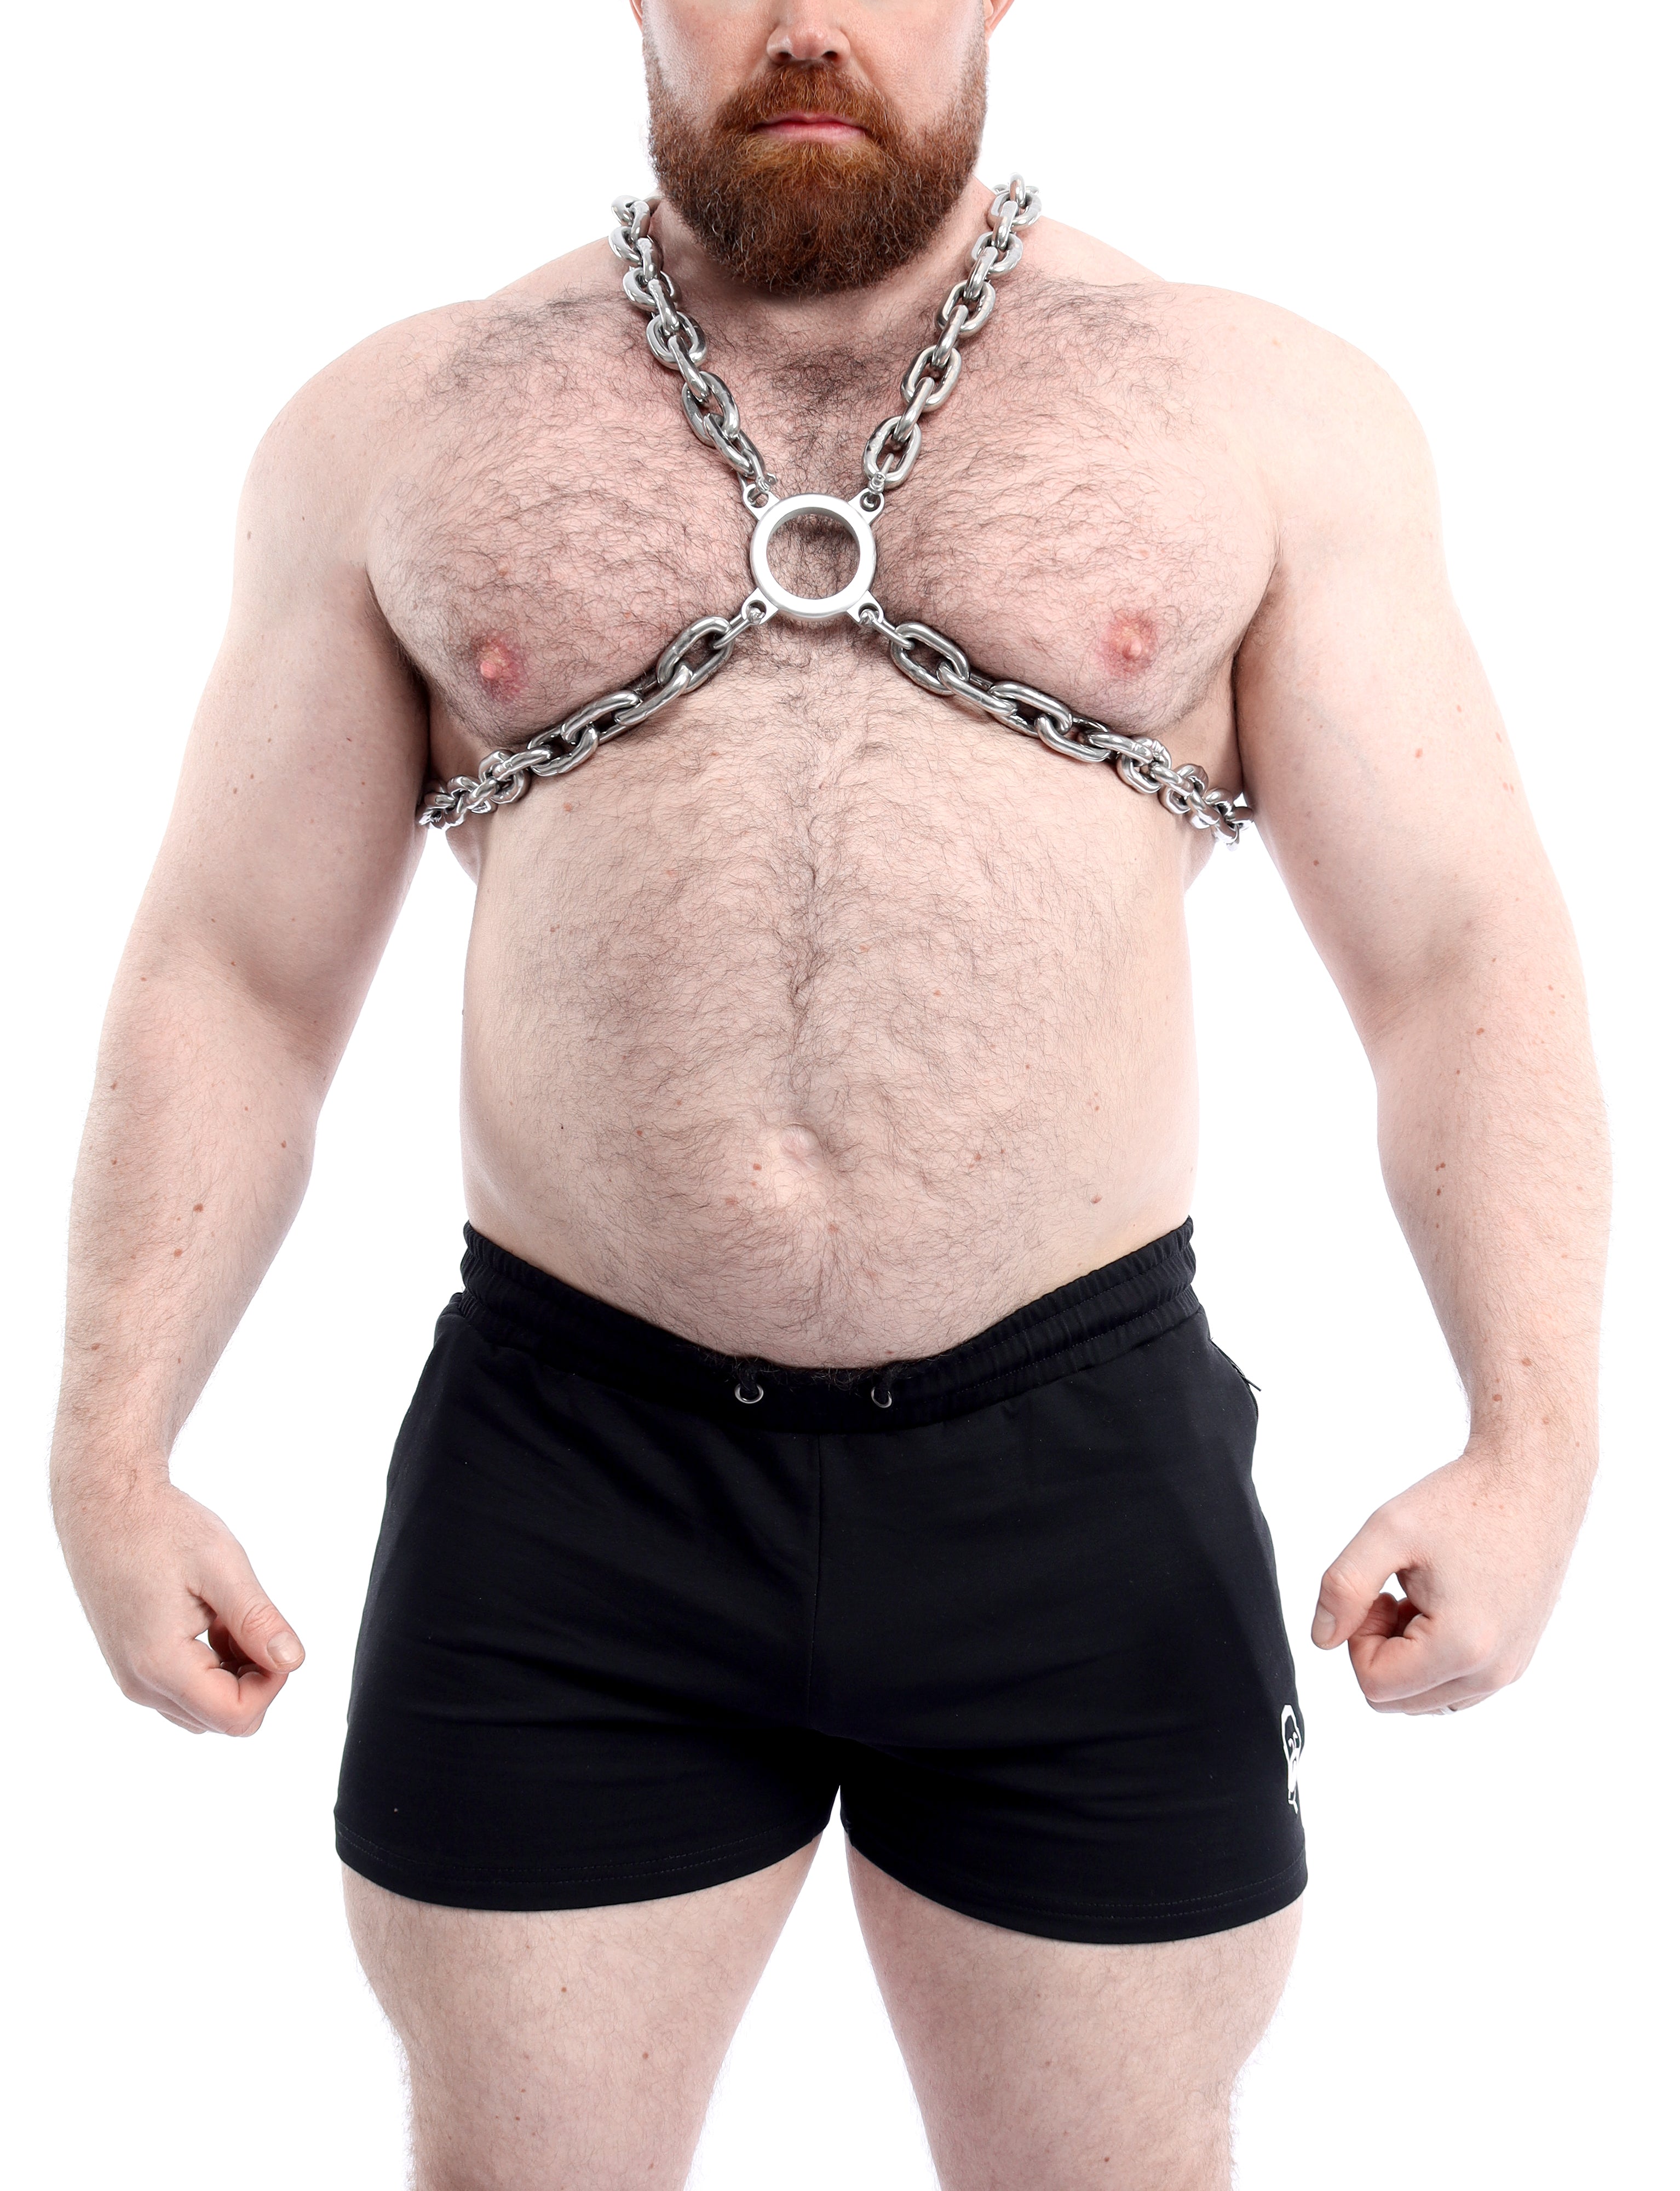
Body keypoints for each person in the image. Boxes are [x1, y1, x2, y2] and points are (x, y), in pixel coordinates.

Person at [48, 3, 1609, 2185]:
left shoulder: (1254, 412)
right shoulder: (401, 426)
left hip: (1073, 1472)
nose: (803, 20)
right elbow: (235, 968)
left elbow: (1455, 957)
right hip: (570, 1480)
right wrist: (112, 1453)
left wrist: (1531, 1449)